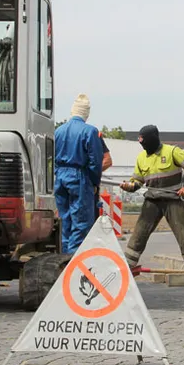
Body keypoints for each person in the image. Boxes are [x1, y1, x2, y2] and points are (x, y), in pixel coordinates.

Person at [120, 125, 184, 273]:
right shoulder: (141, 158)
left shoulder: (172, 152)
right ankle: (127, 267)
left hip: (172, 199)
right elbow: (137, 181)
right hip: (152, 201)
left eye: (145, 143)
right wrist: (129, 186)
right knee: (139, 234)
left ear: (152, 140)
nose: (143, 146)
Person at [54, 94, 103, 254]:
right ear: (86, 113)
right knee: (81, 223)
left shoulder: (58, 131)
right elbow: (95, 161)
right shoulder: (90, 131)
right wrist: (94, 182)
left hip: (60, 177)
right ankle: (72, 261)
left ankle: (63, 258)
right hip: (78, 177)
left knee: (65, 220)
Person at [93, 131, 113, 224]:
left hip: (65, 182)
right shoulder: (94, 134)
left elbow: (108, 161)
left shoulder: (59, 133)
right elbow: (108, 161)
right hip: (88, 185)